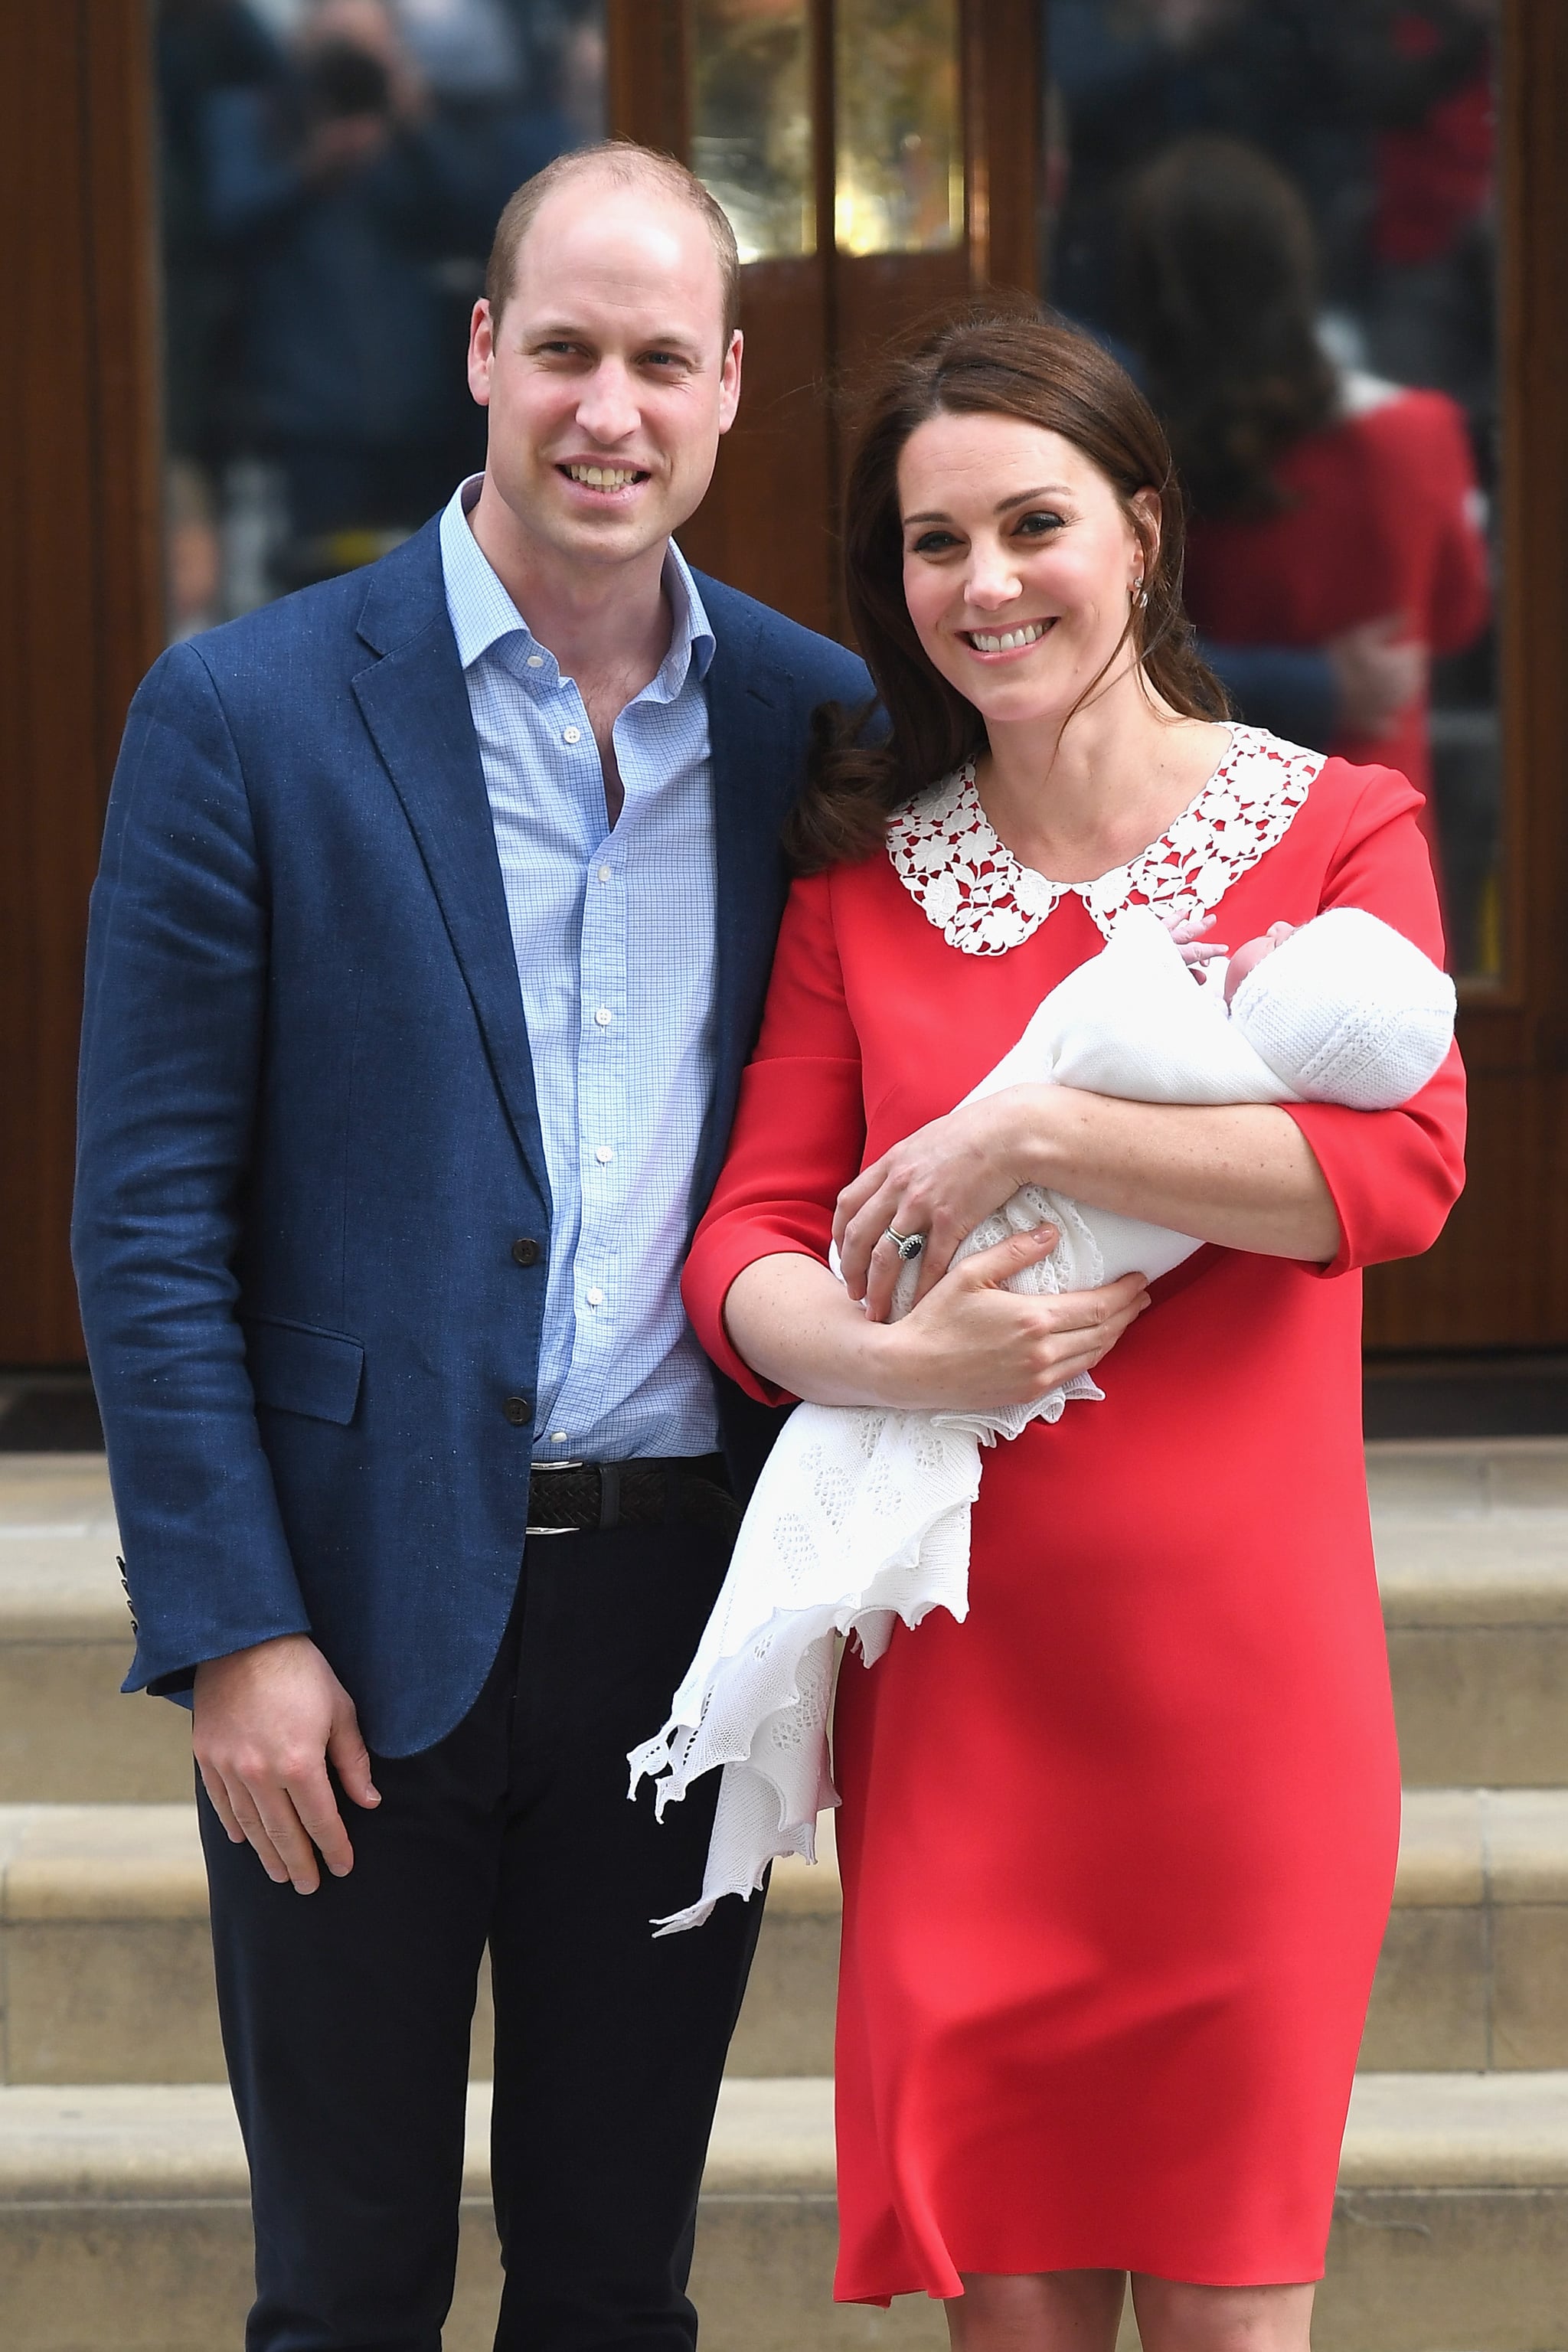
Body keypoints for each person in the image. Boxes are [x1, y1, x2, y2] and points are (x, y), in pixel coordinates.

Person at [72, 139, 869, 2351]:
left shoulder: (816, 728)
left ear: (725, 393)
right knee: (345, 2292)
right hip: (340, 1629)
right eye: (570, 352)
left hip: (677, 1623)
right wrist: (230, 1624)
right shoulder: (240, 712)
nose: (610, 411)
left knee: (617, 2287)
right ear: (484, 356)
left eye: (662, 363)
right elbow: (144, 1223)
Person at [678, 310, 1465, 2350]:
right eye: (937, 545)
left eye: (1035, 524)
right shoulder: (858, 896)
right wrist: (887, 1362)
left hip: (1246, 1719)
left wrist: (1033, 1122)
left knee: (1227, 2326)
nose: (989, 583)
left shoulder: (1338, 830)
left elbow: (1394, 1177)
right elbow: (747, 1249)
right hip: (965, 1713)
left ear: (1142, 529)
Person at [1120, 133, 1491, 920]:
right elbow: (1458, 616)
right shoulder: (1416, 433)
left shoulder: (1142, 467)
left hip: (1198, 852)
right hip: (1378, 849)